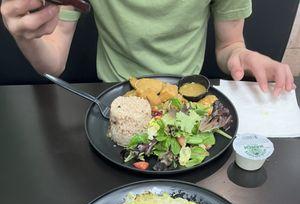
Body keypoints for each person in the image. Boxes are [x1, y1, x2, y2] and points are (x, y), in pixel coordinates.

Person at [1, 0, 295, 96]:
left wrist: (242, 55)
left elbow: (229, 45)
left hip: (186, 96)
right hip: (113, 96)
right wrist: (27, 34)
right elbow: (53, 61)